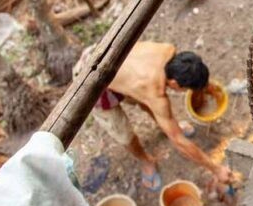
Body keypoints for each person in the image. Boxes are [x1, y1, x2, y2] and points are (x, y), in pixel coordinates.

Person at [74, 41, 233, 190]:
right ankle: (146, 160)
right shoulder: (155, 93)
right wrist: (216, 169)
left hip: (110, 59)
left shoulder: (168, 50)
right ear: (175, 84)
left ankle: (166, 127)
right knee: (124, 134)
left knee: (149, 103)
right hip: (92, 79)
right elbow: (179, 142)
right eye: (186, 89)